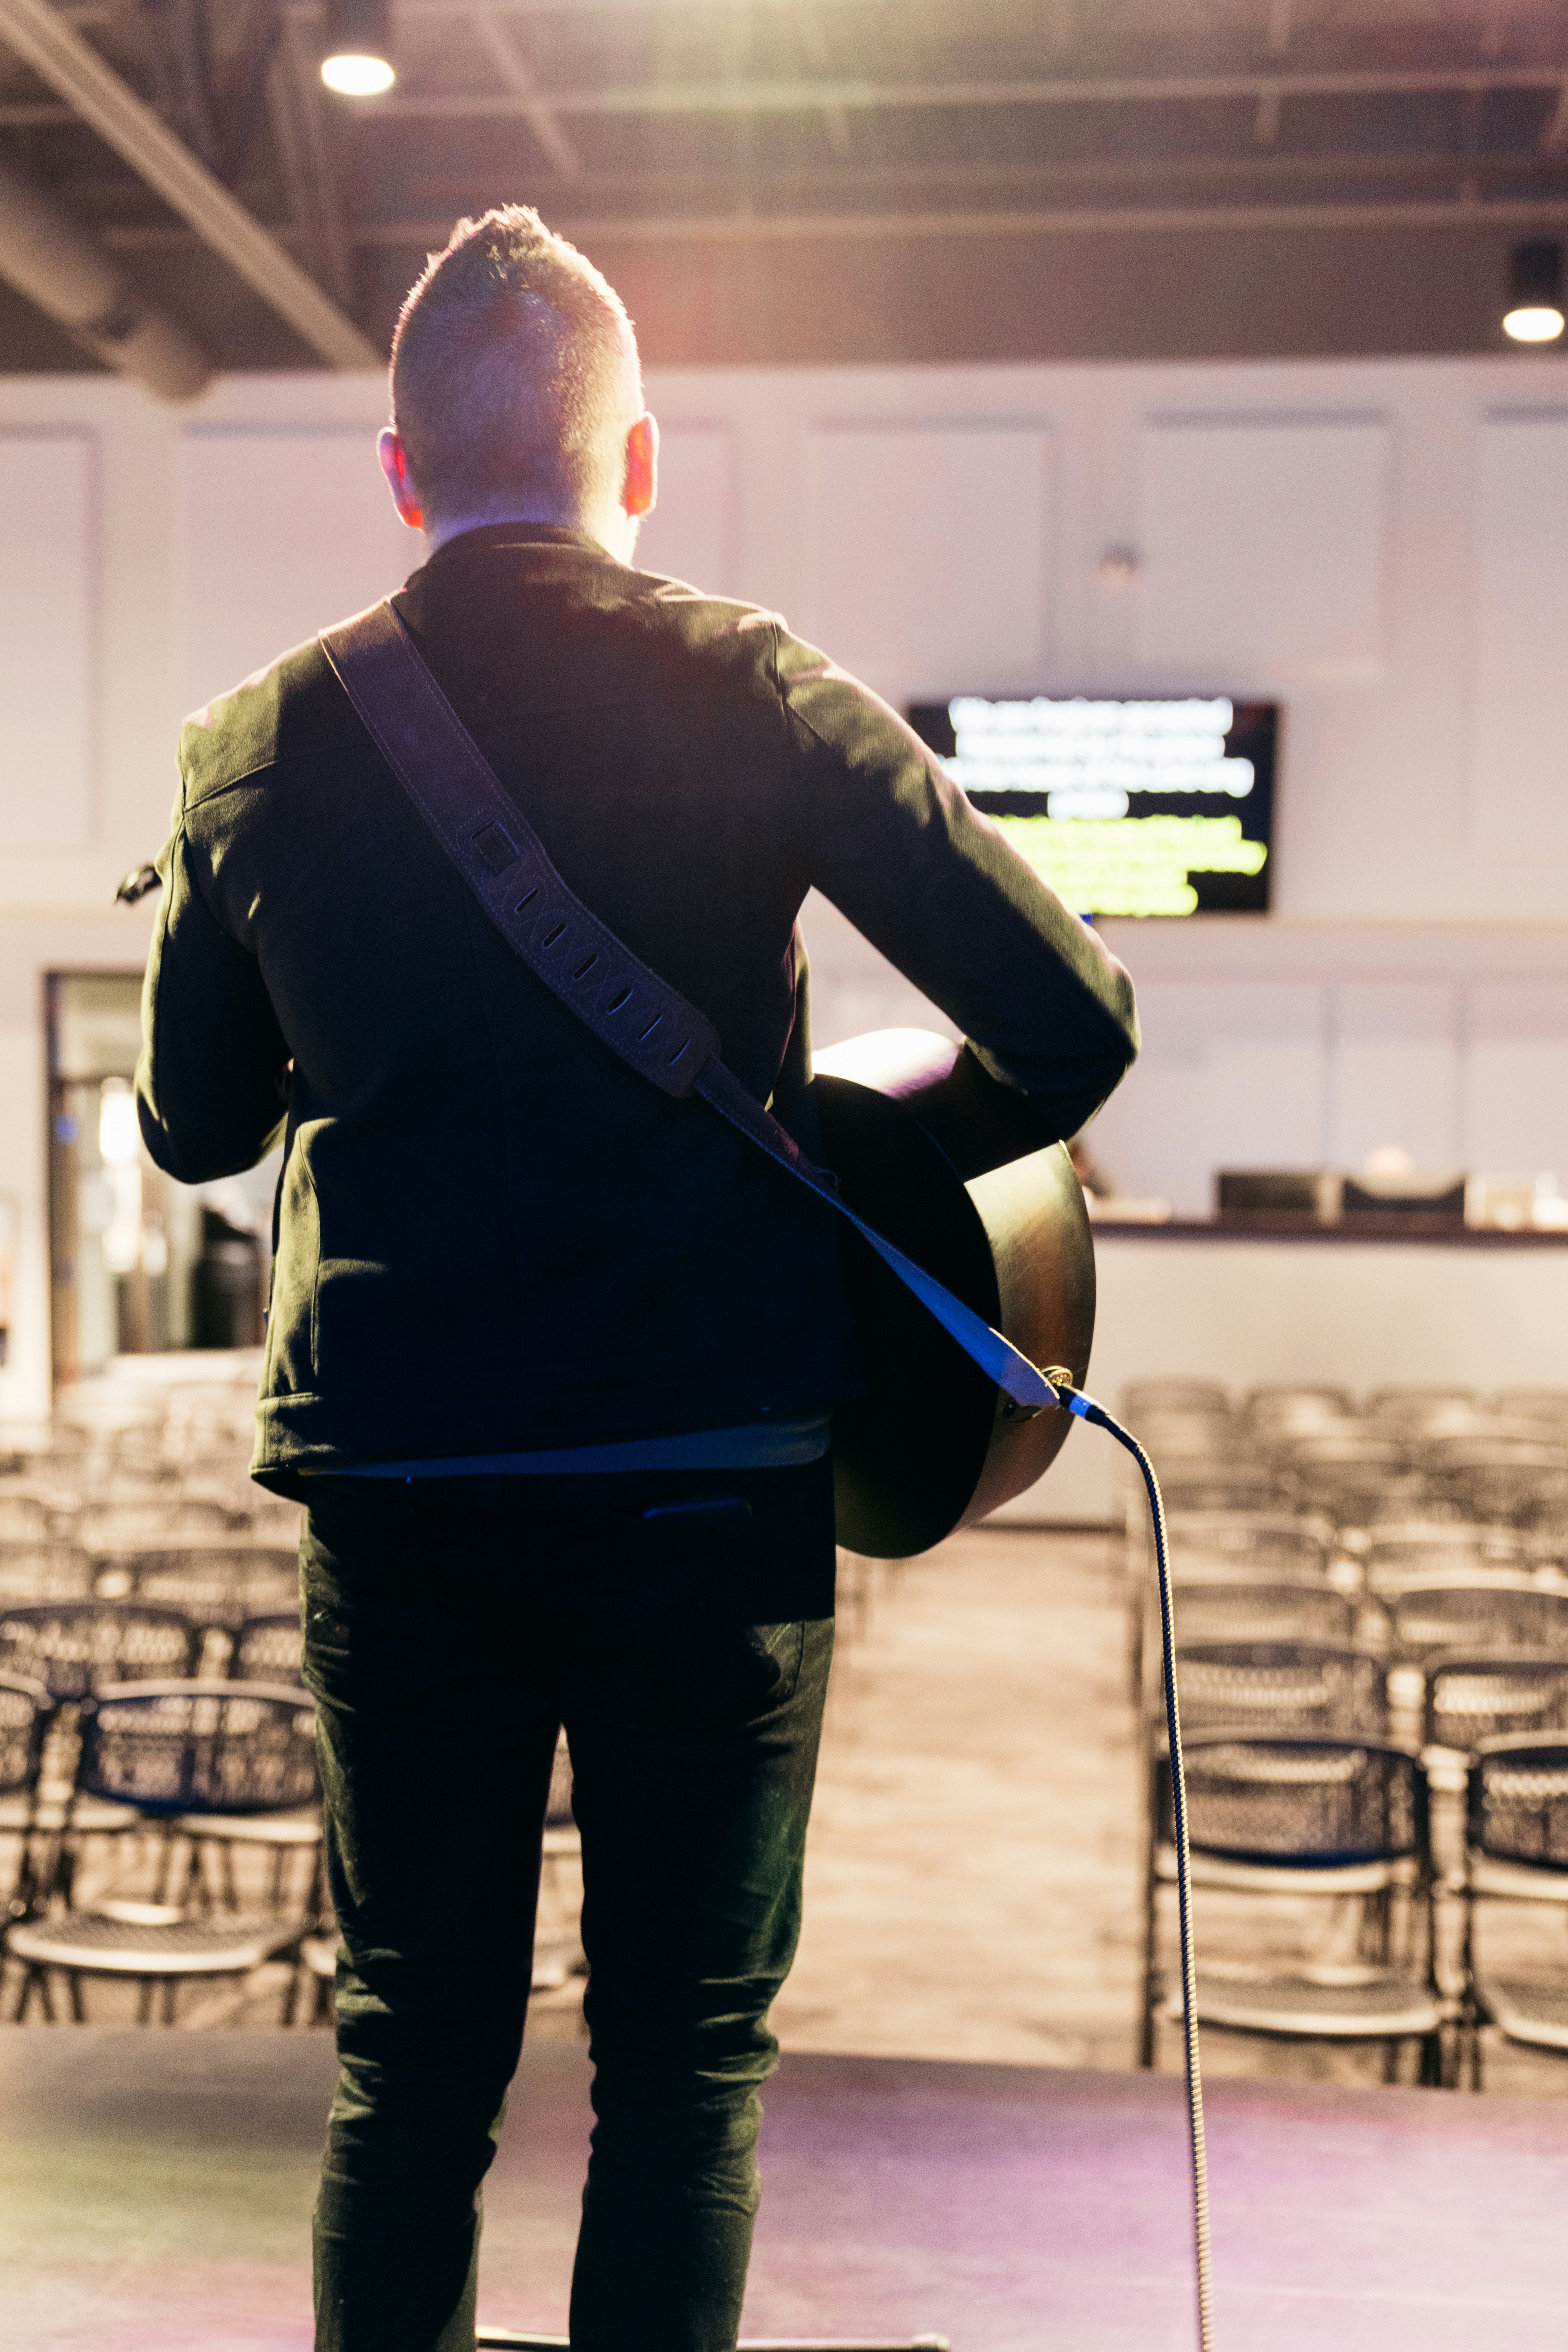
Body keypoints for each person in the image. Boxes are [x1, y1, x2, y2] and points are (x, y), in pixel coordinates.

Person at [135, 205, 1139, 2352]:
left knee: (411, 2060)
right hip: (709, 1478)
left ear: (401, 473)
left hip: (400, 1493)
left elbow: (200, 1135)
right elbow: (1072, 1025)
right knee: (682, 2069)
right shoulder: (756, 689)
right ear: (639, 459)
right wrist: (839, 1159)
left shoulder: (252, 748)